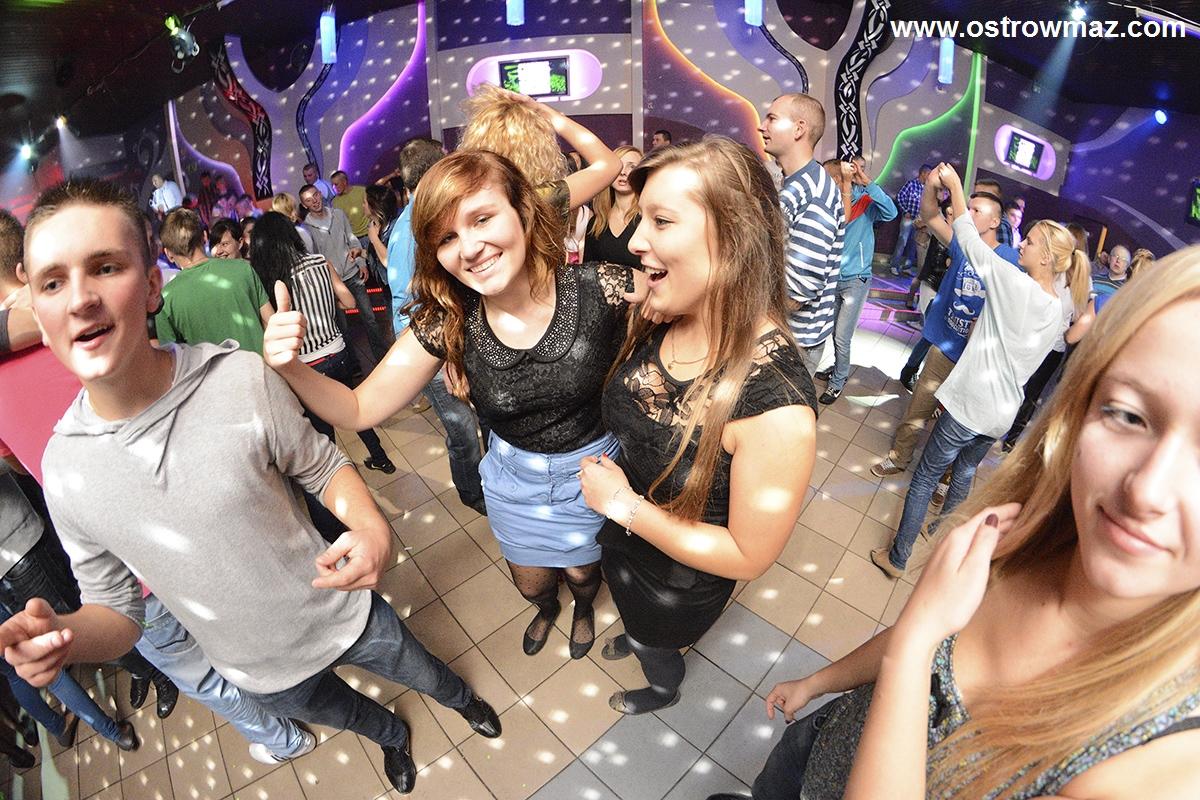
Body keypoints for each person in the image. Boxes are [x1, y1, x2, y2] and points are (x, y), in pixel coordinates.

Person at [2, 179, 501, 795]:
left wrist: (371, 529)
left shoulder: (237, 377)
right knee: (347, 715)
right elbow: (121, 611)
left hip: (339, 609)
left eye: (105, 268)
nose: (81, 299)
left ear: (153, 285)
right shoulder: (63, 467)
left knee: (423, 671)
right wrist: (65, 637)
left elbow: (321, 466)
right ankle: (392, 738)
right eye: (53, 283)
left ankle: (462, 701)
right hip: (255, 667)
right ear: (36, 309)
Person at [710, 243, 1200, 800]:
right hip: (815, 750)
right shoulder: (1030, 544)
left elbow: (919, 640)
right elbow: (924, 637)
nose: (1146, 490)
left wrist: (917, 641)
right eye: (1128, 414)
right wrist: (819, 682)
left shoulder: (1168, 756)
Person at [263, 150, 646, 661]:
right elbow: (356, 410)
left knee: (582, 571)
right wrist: (290, 367)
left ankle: (580, 607)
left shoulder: (603, 287)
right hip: (514, 481)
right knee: (531, 583)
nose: (469, 248)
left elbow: (698, 298)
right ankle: (546, 607)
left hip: (593, 474)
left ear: (524, 210)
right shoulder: (448, 320)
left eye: (482, 219)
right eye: (446, 237)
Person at [578, 136, 817, 715]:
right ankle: (637, 634)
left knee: (652, 642)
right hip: (624, 543)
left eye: (661, 221)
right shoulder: (670, 310)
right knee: (633, 621)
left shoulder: (776, 407)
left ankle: (662, 684)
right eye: (641, 219)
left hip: (677, 583)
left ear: (734, 238)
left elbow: (748, 555)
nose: (637, 241)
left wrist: (624, 506)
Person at [874, 163, 1086, 577]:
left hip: (972, 403)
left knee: (926, 476)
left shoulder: (1014, 283)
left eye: (1030, 242)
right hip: (1001, 414)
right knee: (964, 475)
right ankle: (944, 549)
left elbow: (969, 240)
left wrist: (955, 187)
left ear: (1046, 257)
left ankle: (897, 558)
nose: (1021, 243)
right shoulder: (1056, 307)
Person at [871, 177, 1018, 480]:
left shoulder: (1009, 258)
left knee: (957, 423)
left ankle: (945, 478)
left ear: (995, 221)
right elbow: (930, 215)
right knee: (918, 408)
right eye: (968, 208)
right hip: (945, 346)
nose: (967, 214)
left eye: (976, 211)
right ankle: (899, 457)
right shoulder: (962, 244)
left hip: (977, 358)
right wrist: (932, 186)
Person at [249, 211, 397, 479]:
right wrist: (327, 303)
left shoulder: (271, 279)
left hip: (308, 365)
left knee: (323, 430)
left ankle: (339, 479)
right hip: (338, 352)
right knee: (352, 408)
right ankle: (381, 458)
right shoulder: (320, 261)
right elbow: (349, 302)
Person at [387, 137, 488, 515]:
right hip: (434, 348)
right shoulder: (411, 229)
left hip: (452, 340)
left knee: (478, 420)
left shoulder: (432, 218)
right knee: (462, 429)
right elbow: (407, 306)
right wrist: (442, 356)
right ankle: (473, 495)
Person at [757, 93, 846, 377]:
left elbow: (797, 293)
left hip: (791, 343)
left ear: (799, 129)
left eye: (772, 118)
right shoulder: (797, 183)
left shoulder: (815, 192)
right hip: (779, 336)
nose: (761, 126)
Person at [458, 84, 621, 220]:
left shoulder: (465, 202)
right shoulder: (539, 200)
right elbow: (610, 164)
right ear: (537, 149)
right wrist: (541, 110)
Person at [812, 156, 897, 404]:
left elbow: (891, 212)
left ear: (837, 178)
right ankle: (837, 368)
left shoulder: (864, 200)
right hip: (832, 277)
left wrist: (867, 182)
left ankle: (837, 382)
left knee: (842, 336)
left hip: (855, 280)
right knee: (833, 333)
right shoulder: (829, 201)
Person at [156, 209, 272, 354]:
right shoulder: (243, 268)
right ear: (204, 236)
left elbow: (172, 359)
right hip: (261, 366)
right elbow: (271, 324)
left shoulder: (165, 300)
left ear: (168, 253)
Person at [299, 182, 391, 364]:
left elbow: (352, 239)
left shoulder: (338, 214)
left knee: (370, 319)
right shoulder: (306, 229)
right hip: (331, 283)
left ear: (320, 194)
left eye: (315, 195)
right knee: (342, 328)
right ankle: (353, 364)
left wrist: (361, 263)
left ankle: (382, 358)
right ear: (304, 205)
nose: (314, 201)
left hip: (352, 273)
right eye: (309, 200)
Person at [585, 145, 644, 269]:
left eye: (631, 166)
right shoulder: (597, 222)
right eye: (619, 166)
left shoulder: (646, 219)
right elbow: (587, 271)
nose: (623, 172)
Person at [362, 183, 399, 339]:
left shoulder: (395, 228)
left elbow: (390, 262)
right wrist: (361, 253)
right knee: (394, 328)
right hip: (386, 289)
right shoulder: (373, 225)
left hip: (397, 289)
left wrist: (374, 238)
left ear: (374, 206)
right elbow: (377, 255)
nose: (362, 205)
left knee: (401, 330)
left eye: (365, 202)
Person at [889, 165, 931, 276]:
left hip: (918, 221)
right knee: (902, 242)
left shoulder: (926, 189)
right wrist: (905, 211)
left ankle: (907, 267)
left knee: (913, 244)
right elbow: (900, 197)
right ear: (923, 174)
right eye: (928, 174)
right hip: (908, 219)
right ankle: (894, 265)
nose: (930, 177)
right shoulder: (911, 184)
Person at [331, 170, 371, 248]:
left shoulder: (361, 191)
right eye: (333, 185)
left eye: (336, 184)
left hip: (367, 234)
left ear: (344, 182)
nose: (334, 188)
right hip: (353, 239)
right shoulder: (335, 201)